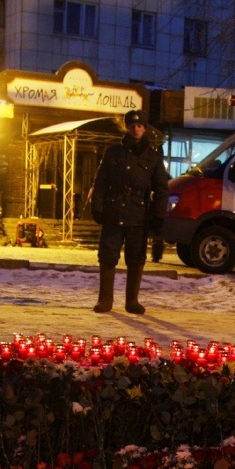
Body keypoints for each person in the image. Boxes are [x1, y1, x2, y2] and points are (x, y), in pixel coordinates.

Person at [89, 109, 169, 315]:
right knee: (107, 256)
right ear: (127, 127)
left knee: (136, 258)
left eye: (140, 125)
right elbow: (100, 183)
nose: (136, 129)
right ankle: (105, 300)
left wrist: (159, 214)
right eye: (132, 125)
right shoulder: (113, 153)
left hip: (138, 214)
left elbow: (161, 188)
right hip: (113, 213)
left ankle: (132, 301)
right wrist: (97, 208)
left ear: (145, 128)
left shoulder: (153, 157)